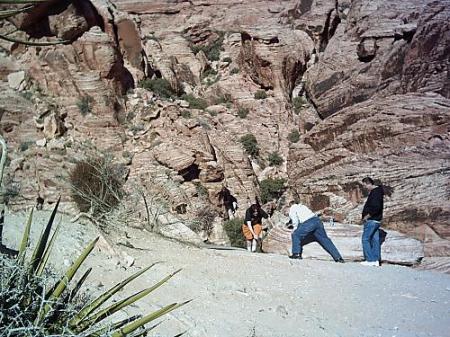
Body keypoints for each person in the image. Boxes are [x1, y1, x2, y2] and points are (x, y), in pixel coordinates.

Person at [360, 177, 384, 267]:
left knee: (365, 239)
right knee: (375, 240)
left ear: (368, 183)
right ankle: (375, 260)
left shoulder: (375, 193)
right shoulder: (378, 192)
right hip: (377, 220)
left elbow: (375, 207)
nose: (365, 187)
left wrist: (367, 216)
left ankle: (370, 259)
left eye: (364, 185)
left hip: (372, 220)